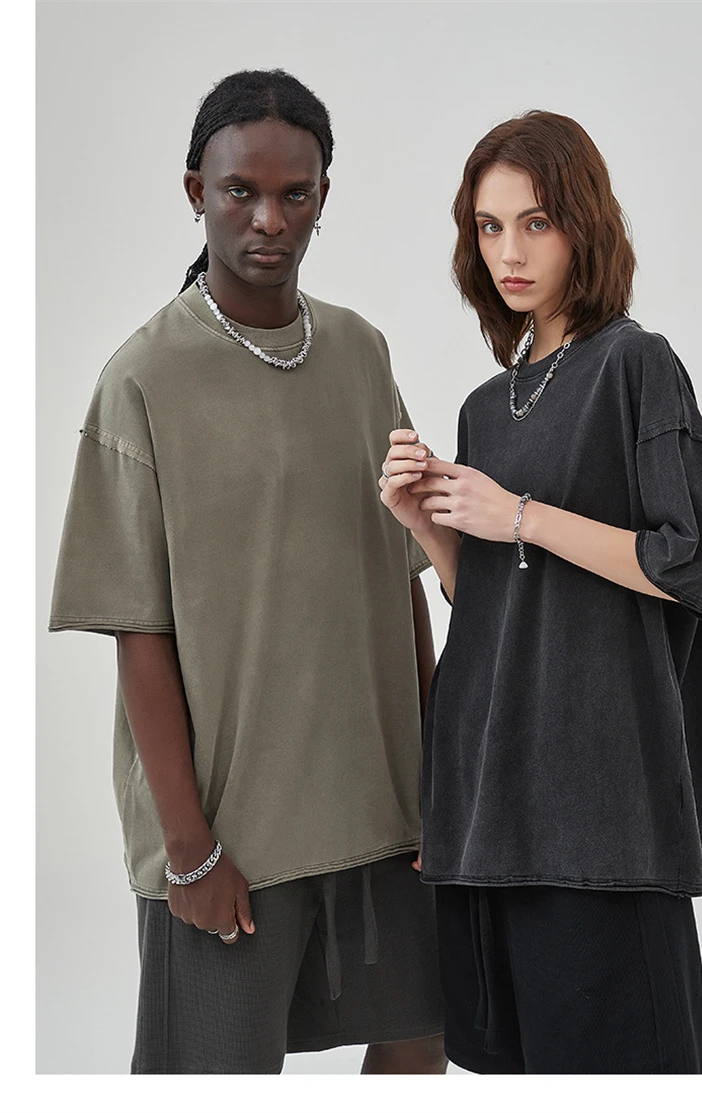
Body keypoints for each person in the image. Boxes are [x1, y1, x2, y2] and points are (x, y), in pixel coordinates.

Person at [49, 68, 446, 1075]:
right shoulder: (142, 378)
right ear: (196, 191)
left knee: (422, 1042)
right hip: (233, 833)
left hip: (383, 810)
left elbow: (401, 576)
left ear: (322, 197)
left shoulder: (360, 353)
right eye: (240, 191)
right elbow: (138, 630)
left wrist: (441, 779)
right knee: (213, 1074)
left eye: (294, 194)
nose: (269, 219)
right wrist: (188, 846)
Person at [380, 110, 702, 1074]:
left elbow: (700, 560)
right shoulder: (485, 406)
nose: (509, 252)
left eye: (535, 222)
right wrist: (431, 526)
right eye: (489, 226)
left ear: (584, 224)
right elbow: (497, 610)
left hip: (603, 813)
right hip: (491, 803)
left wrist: (521, 514)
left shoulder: (635, 363)